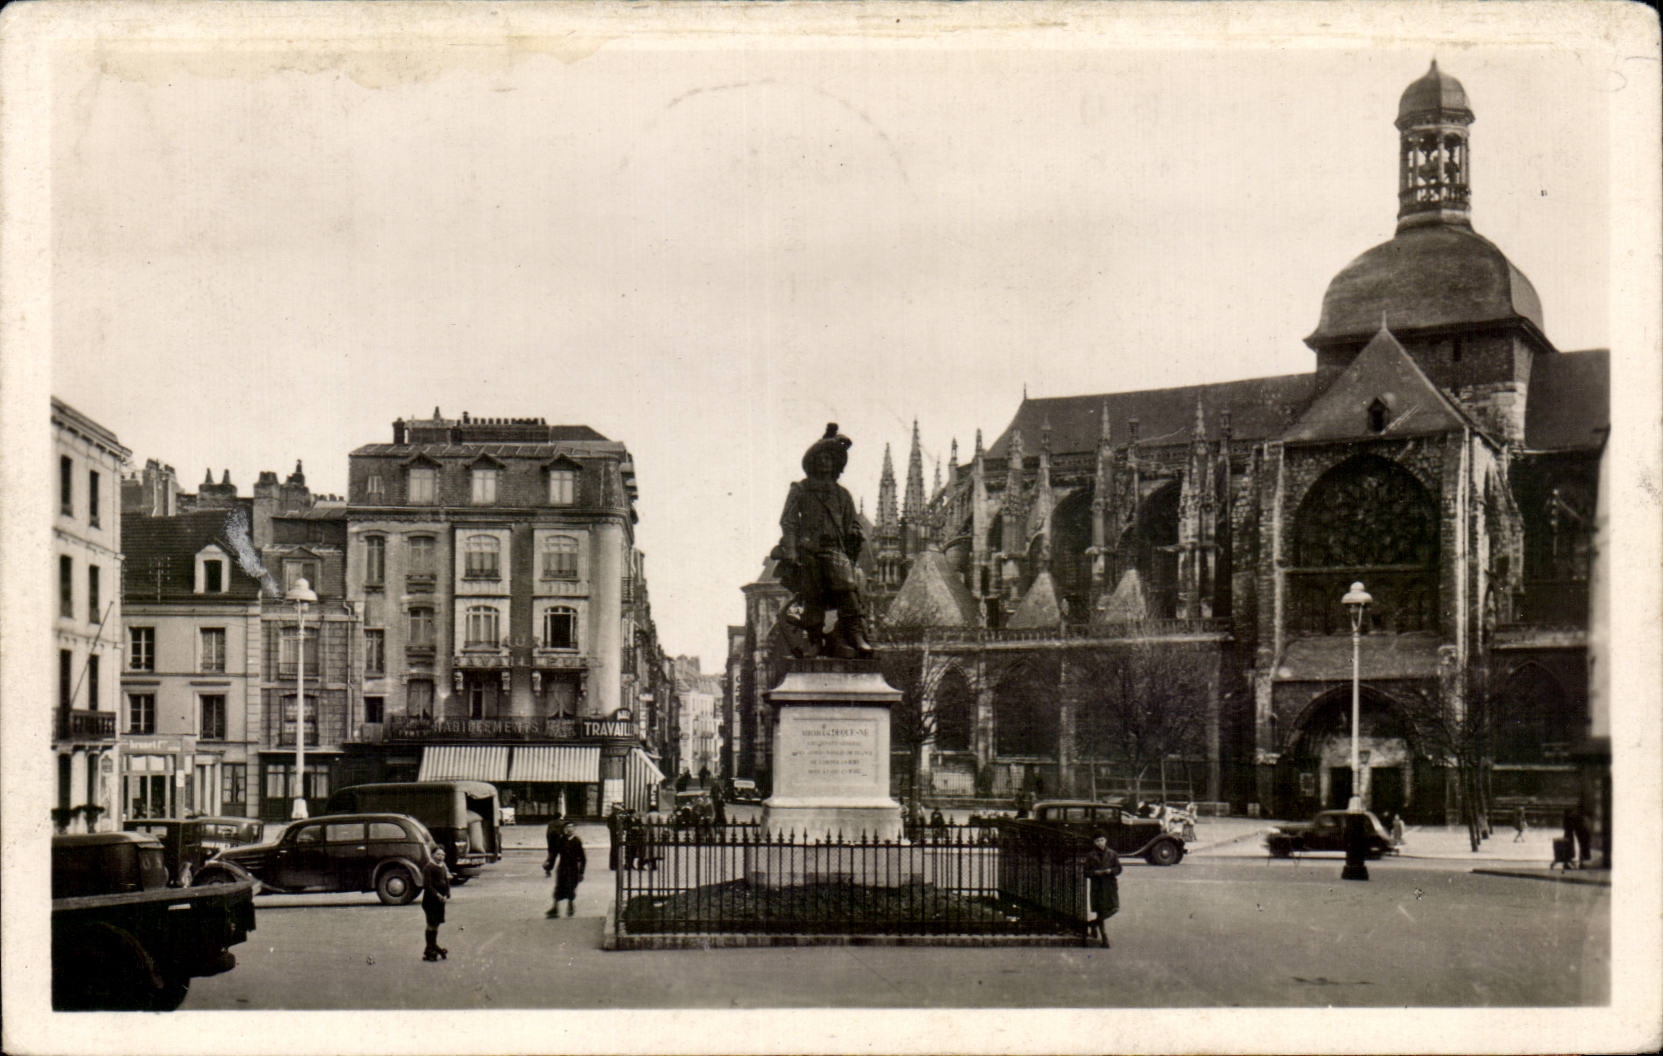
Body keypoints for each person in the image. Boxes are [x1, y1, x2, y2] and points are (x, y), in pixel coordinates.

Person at [771, 423, 872, 658]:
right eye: (821, 457)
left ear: (836, 464)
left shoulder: (842, 494)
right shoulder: (801, 489)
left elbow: (851, 523)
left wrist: (856, 533)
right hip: (809, 549)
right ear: (813, 462)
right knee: (813, 595)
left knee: (847, 588)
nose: (826, 462)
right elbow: (788, 521)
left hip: (834, 549)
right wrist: (792, 550)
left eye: (830, 458)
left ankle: (857, 635)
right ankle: (815, 640)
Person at [1083, 835, 1122, 948]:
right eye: (1097, 840)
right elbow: (1086, 872)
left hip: (1110, 886)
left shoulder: (1112, 853)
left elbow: (1119, 868)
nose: (1100, 843)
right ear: (1094, 842)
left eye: (1102, 840)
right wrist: (1095, 873)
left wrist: (1111, 870)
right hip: (1098, 886)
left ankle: (1092, 924)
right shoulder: (1090, 855)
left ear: (1106, 840)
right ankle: (1104, 938)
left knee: (1114, 908)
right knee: (1101, 911)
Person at [547, 823, 586, 918]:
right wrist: (549, 865)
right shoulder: (561, 840)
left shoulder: (577, 841)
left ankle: (570, 906)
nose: (570, 829)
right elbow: (555, 854)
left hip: (573, 868)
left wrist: (581, 872)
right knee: (559, 887)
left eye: (572, 827)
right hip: (562, 867)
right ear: (564, 829)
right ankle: (555, 908)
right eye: (567, 828)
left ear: (575, 829)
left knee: (571, 887)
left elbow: (582, 858)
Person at [421, 847, 451, 961]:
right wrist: (438, 895)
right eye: (438, 854)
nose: (441, 857)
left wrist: (447, 894)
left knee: (436, 924)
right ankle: (431, 949)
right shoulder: (428, 867)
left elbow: (446, 881)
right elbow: (427, 885)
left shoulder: (442, 866)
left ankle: (432, 947)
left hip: (440, 901)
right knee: (431, 924)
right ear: (433, 855)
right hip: (430, 901)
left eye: (443, 855)